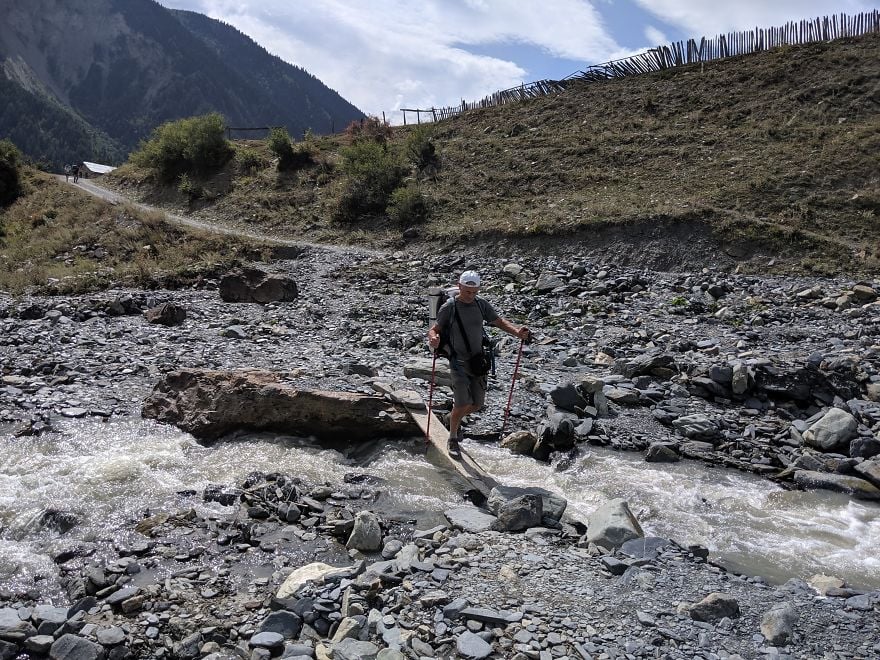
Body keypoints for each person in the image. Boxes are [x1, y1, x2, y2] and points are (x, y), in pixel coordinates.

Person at [427, 270, 529, 457]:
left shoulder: (481, 305)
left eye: (475, 292)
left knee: (477, 404)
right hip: (457, 361)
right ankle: (453, 438)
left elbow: (498, 321)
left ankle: (450, 419)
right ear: (459, 286)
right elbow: (434, 329)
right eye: (468, 292)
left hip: (478, 361)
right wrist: (434, 339)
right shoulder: (449, 307)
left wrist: (517, 332)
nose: (471, 296)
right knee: (462, 402)